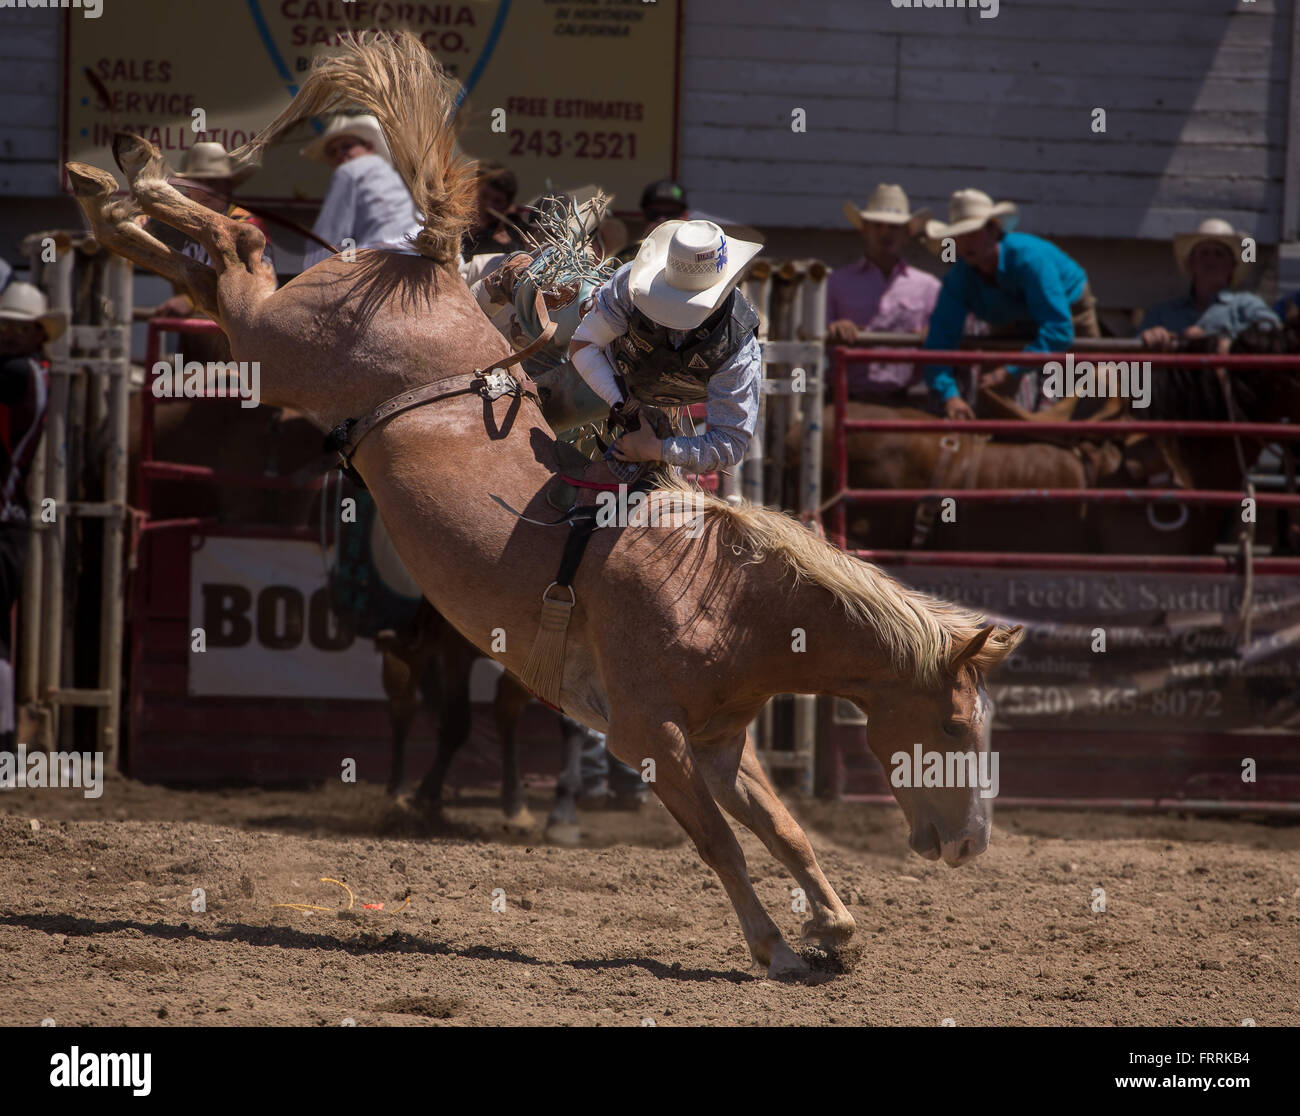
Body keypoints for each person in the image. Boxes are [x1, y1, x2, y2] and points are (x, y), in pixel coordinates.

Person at [567, 219, 764, 475]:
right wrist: (628, 408)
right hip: (607, 378)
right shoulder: (630, 285)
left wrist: (657, 449)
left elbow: (730, 443)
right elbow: (583, 345)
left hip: (660, 414)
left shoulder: (737, 350)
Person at [922, 189, 1100, 418]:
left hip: (1069, 308)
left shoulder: (1030, 259)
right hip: (1010, 318)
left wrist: (1010, 369)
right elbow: (939, 341)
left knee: (1092, 385)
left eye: (973, 233)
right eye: (960, 235)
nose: (966, 243)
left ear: (993, 230)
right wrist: (951, 396)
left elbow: (1059, 330)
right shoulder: (958, 280)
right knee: (991, 394)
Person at [0, 283, 56, 755]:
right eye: (3, 327)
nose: (8, 335)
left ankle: (3, 741)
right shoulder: (32, 369)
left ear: (37, 334)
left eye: (19, 328)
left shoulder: (18, 372)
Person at [827, 184, 940, 402]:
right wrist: (833, 329)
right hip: (846, 399)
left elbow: (945, 340)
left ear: (907, 234)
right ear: (865, 230)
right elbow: (811, 341)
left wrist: (935, 332)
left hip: (908, 401)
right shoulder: (835, 282)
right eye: (877, 225)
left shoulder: (929, 287)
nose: (885, 233)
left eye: (894, 227)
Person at [144, 141, 273, 321]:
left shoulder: (246, 225)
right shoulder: (176, 219)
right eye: (198, 182)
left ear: (229, 185)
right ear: (188, 188)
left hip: (237, 330)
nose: (205, 190)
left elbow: (253, 288)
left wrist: (190, 303)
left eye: (213, 181)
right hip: (195, 329)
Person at [300, 114, 422, 269]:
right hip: (417, 257)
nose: (339, 154)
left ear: (369, 147)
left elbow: (330, 234)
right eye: (333, 152)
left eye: (347, 146)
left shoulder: (350, 171)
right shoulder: (394, 179)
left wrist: (310, 270)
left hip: (381, 263)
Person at [1139, 218, 1279, 349]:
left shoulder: (1246, 305)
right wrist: (1150, 337)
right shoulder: (1162, 314)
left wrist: (1220, 342)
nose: (1211, 259)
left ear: (1232, 265)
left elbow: (1273, 335)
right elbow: (1131, 351)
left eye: (1219, 253)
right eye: (1204, 253)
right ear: (1191, 263)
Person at [614, 178, 690, 265]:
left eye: (672, 214)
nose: (662, 220)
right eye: (654, 214)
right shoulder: (625, 259)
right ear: (644, 215)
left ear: (685, 215)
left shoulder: (699, 253)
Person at [462, 161, 528, 260]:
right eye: (484, 195)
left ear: (506, 207)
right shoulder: (447, 225)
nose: (488, 206)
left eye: (497, 201)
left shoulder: (506, 249)